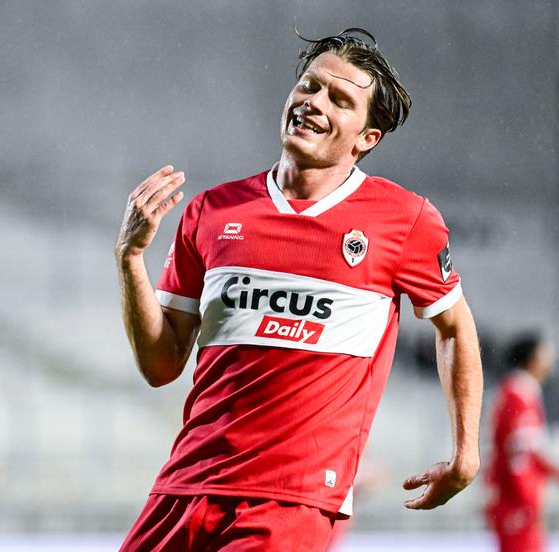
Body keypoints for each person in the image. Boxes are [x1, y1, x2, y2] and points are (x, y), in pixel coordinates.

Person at [115, 28, 483, 551]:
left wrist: (466, 453)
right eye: (309, 86)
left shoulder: (405, 221)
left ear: (365, 139)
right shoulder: (211, 212)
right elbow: (160, 365)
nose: (313, 102)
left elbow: (454, 327)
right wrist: (130, 259)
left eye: (339, 99)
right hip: (184, 487)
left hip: (292, 502)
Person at [485, 334, 559, 552]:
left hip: (515, 501)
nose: (551, 360)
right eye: (546, 353)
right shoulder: (517, 395)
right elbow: (528, 454)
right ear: (532, 359)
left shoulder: (516, 393)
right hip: (515, 502)